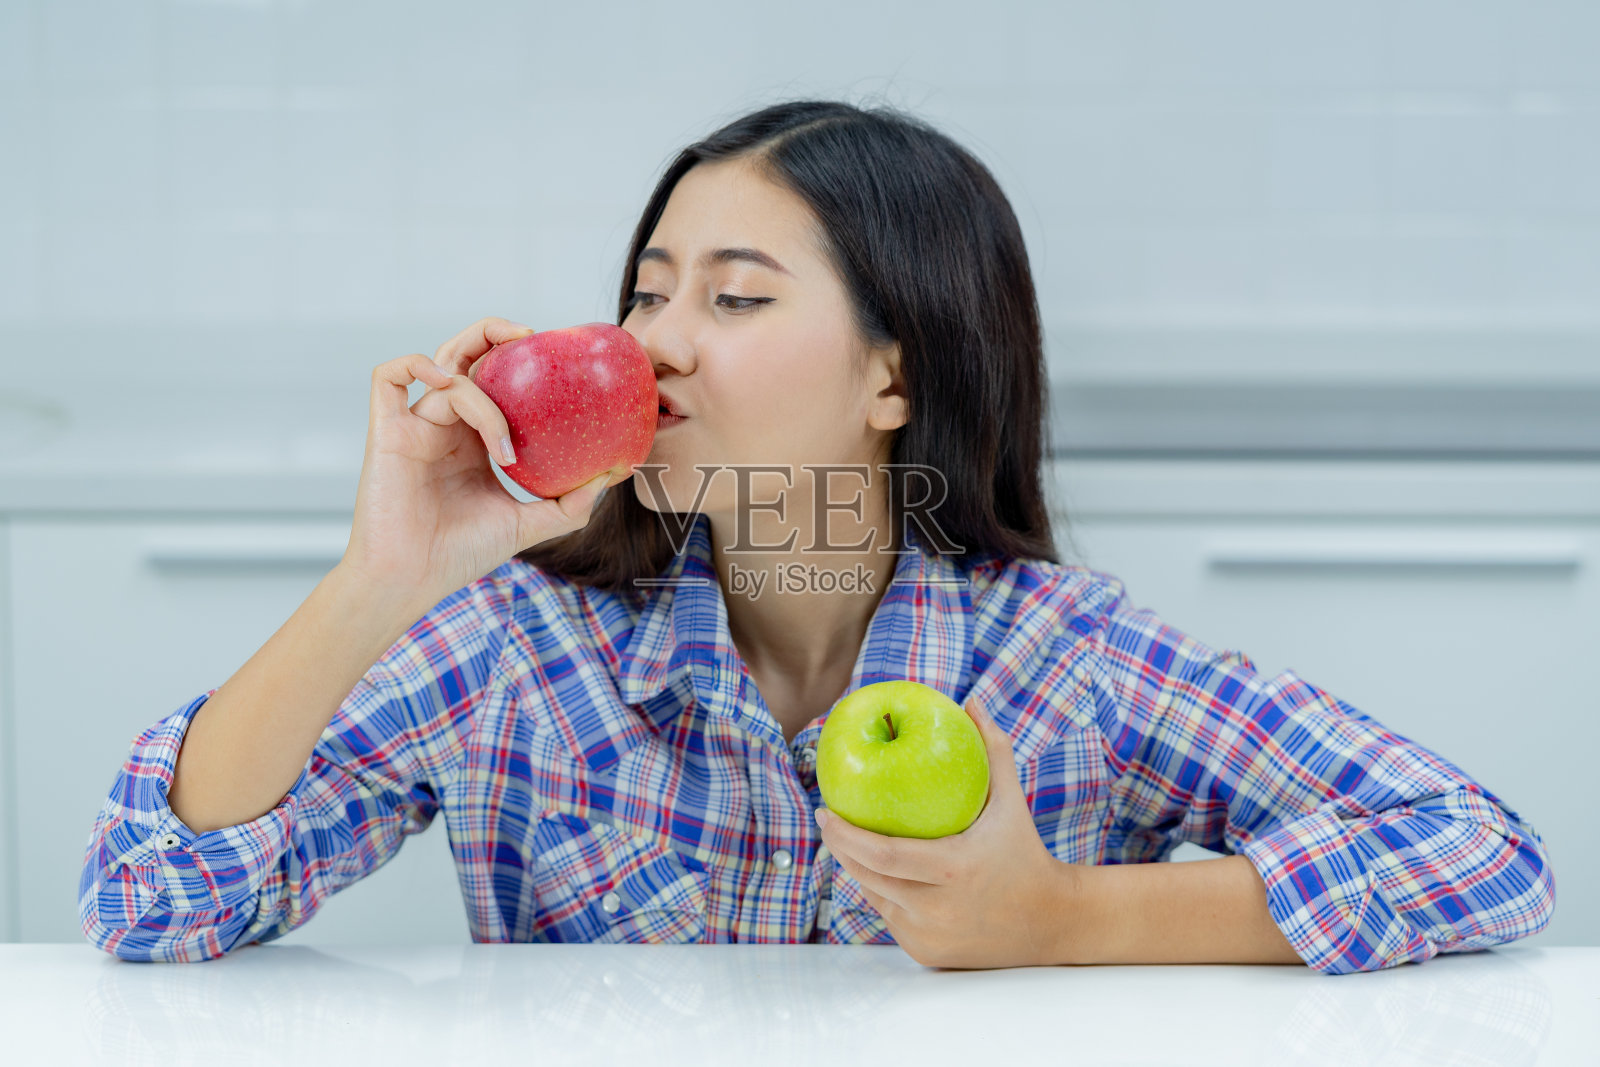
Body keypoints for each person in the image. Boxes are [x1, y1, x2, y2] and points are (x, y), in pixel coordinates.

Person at [78, 99, 1555, 973]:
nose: (654, 346)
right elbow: (147, 899)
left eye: (733, 298)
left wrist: (1055, 919)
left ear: (891, 375)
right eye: (649, 291)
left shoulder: (1065, 662)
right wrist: (380, 578)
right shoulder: (524, 646)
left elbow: (1478, 853)